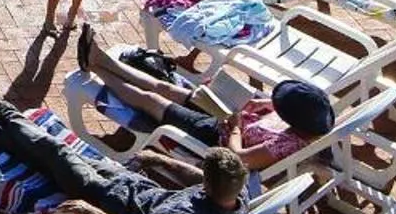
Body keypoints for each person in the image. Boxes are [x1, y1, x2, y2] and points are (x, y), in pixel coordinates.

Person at [0, 83, 246, 214]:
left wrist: (89, 212)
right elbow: (196, 178)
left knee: (55, 151)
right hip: (128, 183)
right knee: (51, 157)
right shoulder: (235, 193)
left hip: (103, 196)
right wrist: (160, 160)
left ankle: (0, 110)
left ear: (210, 186)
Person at [76, 25, 337, 171]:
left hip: (216, 133)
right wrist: (266, 103)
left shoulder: (285, 146)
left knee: (152, 100)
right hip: (227, 113)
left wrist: (234, 129)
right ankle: (104, 60)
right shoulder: (312, 117)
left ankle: (97, 66)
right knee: (164, 87)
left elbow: (240, 158)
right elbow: (284, 110)